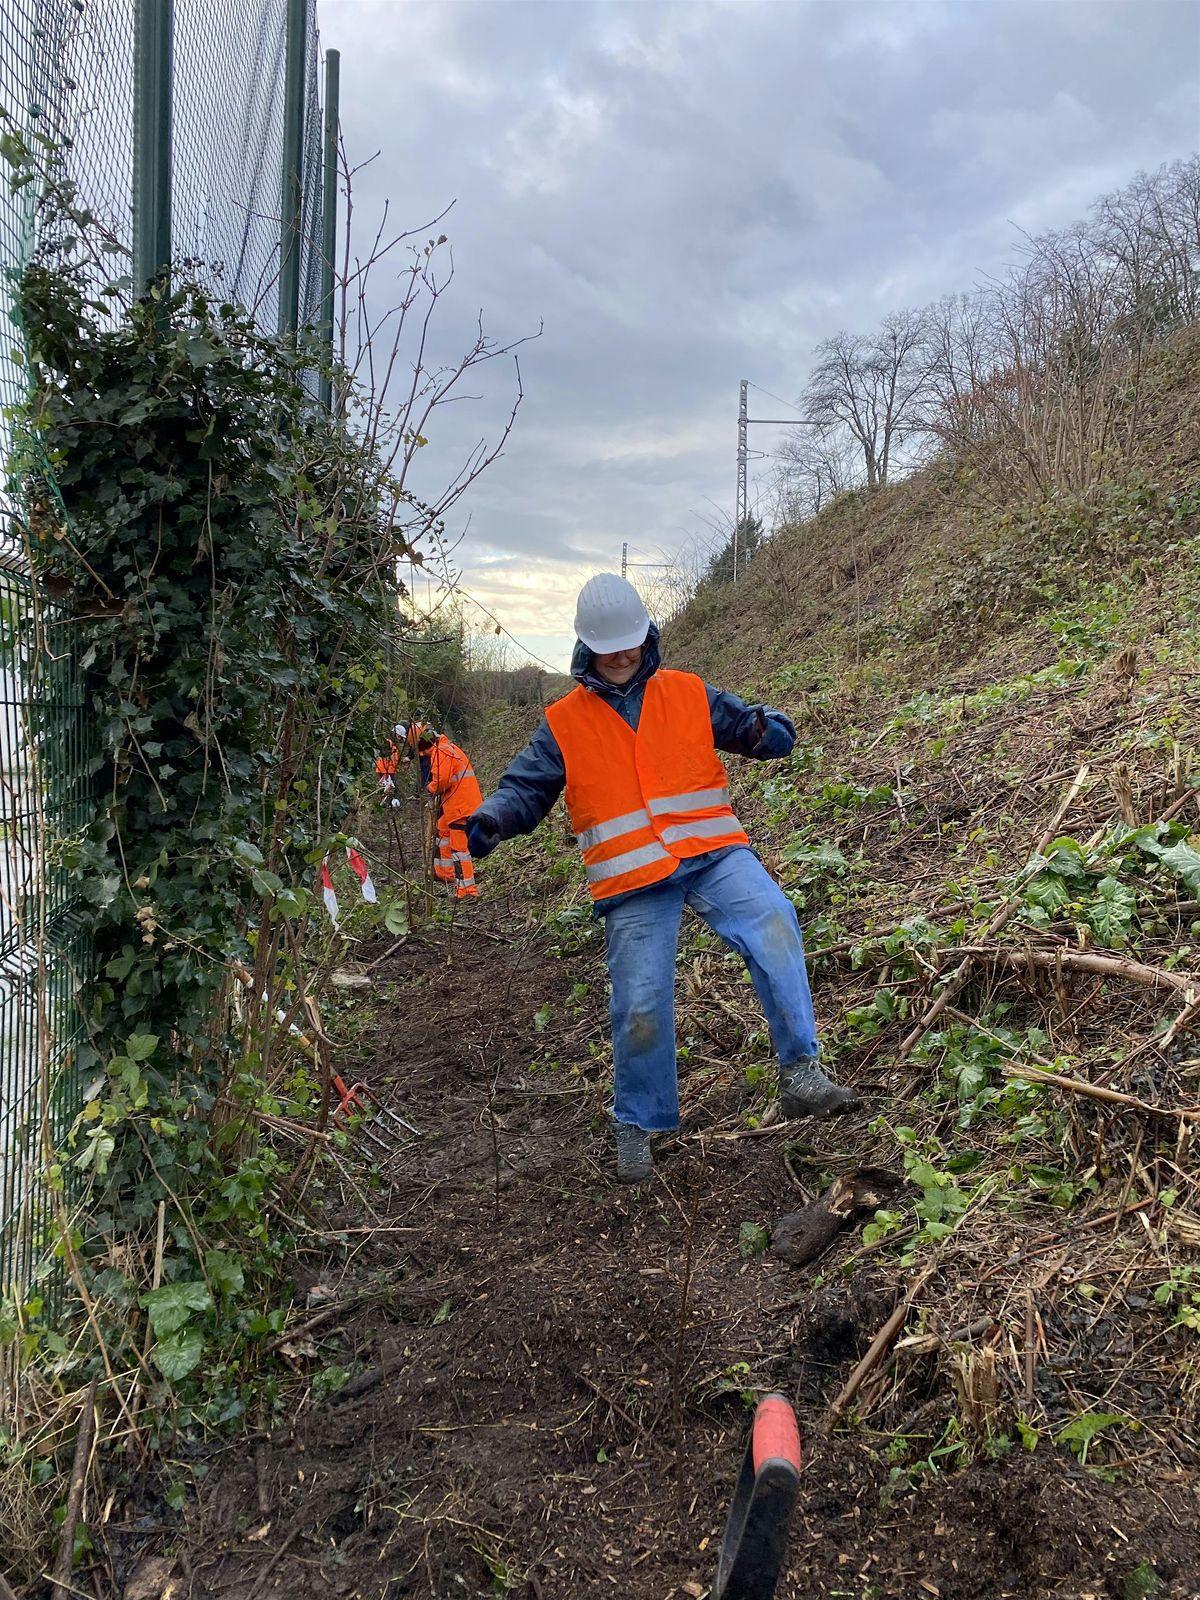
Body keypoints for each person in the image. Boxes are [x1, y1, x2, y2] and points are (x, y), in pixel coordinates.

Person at [464, 573, 859, 1183]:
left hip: (712, 851)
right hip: (632, 878)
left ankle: (801, 1072)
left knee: (775, 922)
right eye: (608, 646)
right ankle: (637, 1122)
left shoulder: (684, 691)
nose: (622, 655)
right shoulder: (564, 722)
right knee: (641, 1001)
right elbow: (526, 787)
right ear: (585, 646)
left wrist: (766, 731)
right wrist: (493, 817)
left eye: (630, 641)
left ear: (646, 632)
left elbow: (743, 724)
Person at [397, 721, 484, 900]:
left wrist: (428, 789)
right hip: (459, 803)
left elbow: (442, 781)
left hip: (460, 807)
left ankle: (467, 891)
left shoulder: (441, 751)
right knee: (442, 830)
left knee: (459, 849)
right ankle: (445, 873)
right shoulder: (444, 747)